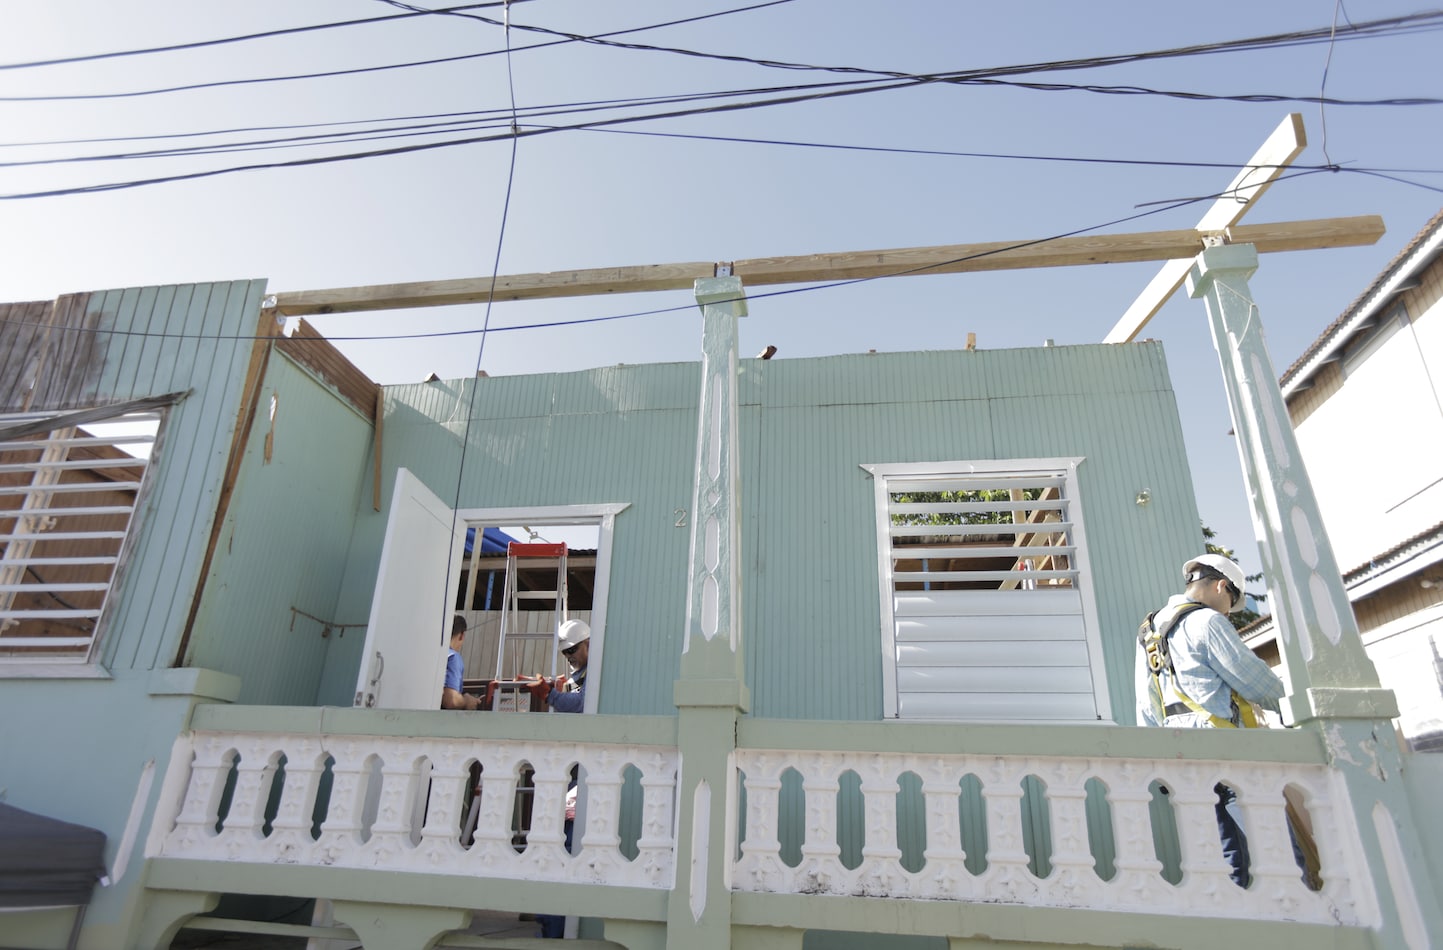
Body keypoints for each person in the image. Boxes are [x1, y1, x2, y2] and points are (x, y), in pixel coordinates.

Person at [1136, 554, 1286, 887]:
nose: (1227, 612)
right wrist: (1295, 707)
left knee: (1223, 857)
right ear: (1221, 586)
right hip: (1223, 754)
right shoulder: (1208, 622)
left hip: (1181, 760)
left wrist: (1157, 758)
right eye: (1230, 602)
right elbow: (1253, 680)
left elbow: (1146, 704)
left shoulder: (1149, 632)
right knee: (1277, 852)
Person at [440, 615, 480, 710]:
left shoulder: (433, 653)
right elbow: (450, 700)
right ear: (461, 635)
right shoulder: (453, 658)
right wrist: (467, 701)